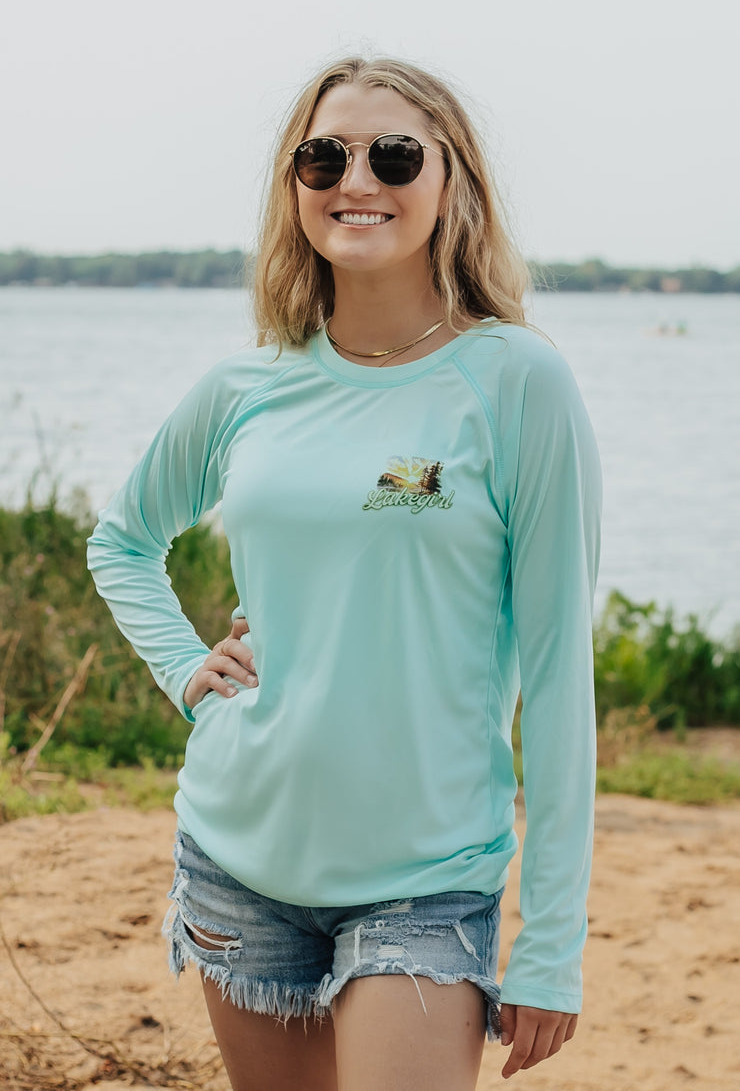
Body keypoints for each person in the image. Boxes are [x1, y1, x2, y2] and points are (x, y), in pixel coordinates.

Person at [87, 56, 602, 1091]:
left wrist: (551, 942)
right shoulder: (246, 384)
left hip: (426, 875)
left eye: (394, 156)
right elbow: (125, 539)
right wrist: (187, 671)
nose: (355, 181)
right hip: (238, 859)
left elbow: (557, 677)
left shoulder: (518, 382)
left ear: (451, 181)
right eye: (323, 157)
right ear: (295, 186)